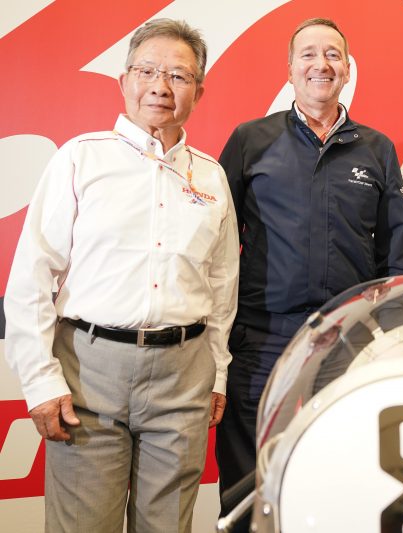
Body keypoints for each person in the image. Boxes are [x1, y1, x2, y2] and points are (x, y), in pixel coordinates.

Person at [2, 18, 239, 532]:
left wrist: (217, 374)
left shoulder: (212, 176)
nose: (160, 86)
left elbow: (223, 288)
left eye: (178, 75)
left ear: (198, 91)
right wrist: (40, 381)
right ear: (124, 80)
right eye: (147, 71)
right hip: (89, 376)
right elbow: (31, 278)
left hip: (184, 378)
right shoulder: (80, 159)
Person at [216, 17, 403, 527]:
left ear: (347, 69)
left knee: (342, 471)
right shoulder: (250, 140)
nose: (320, 64)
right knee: (248, 482)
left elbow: (396, 256)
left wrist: (391, 336)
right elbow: (216, 242)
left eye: (332, 55)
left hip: (346, 340)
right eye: (308, 54)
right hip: (262, 340)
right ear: (289, 69)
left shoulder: (377, 149)